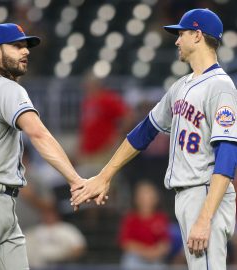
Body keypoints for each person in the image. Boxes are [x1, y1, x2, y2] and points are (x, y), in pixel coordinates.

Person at [71, 8, 237, 270]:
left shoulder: (221, 86)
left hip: (205, 193)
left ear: (197, 35)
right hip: (186, 195)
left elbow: (227, 155)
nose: (176, 41)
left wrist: (206, 217)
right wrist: (104, 176)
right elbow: (144, 131)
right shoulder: (181, 86)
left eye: (181, 34)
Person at [0, 23, 92, 270]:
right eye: (16, 46)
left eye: (25, 46)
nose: (25, 51)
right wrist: (76, 180)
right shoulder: (8, 88)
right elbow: (39, 134)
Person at [118, 181, 170, 269]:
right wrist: (146, 252)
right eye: (142, 196)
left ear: (156, 198)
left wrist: (155, 253)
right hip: (135, 258)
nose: (146, 200)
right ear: (136, 199)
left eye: (149, 196)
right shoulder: (130, 218)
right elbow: (125, 243)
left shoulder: (161, 217)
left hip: (155, 259)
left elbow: (165, 243)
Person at [24, 202, 87, 268]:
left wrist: (66, 256)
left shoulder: (68, 229)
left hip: (62, 265)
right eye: (45, 213)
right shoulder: (32, 231)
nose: (48, 216)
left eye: (50, 213)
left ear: (56, 214)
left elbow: (79, 248)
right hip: (38, 266)